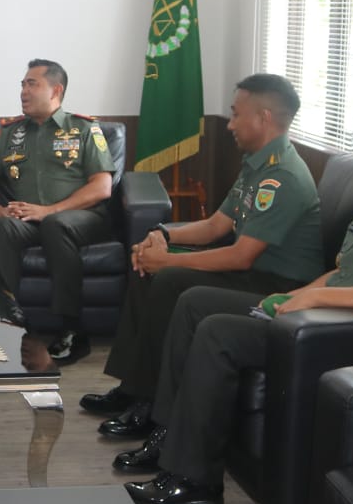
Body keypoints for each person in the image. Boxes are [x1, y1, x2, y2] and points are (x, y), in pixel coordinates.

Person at [121, 107, 353, 504]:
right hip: (319, 314)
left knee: (219, 332)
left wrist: (315, 300)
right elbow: (344, 272)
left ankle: (194, 481)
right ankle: (167, 436)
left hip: (348, 333)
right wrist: (295, 297)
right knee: (194, 302)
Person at [85, 73, 324, 444]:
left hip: (279, 287)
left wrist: (168, 262)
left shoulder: (283, 176)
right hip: (253, 274)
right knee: (147, 267)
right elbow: (215, 226)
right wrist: (163, 236)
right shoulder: (258, 165)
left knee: (168, 277)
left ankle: (151, 405)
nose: (229, 124)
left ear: (263, 118)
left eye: (236, 114)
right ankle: (134, 388)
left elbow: (241, 256)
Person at [0, 59, 115, 359]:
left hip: (83, 218)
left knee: (55, 224)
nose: (24, 91)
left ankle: (72, 329)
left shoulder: (84, 129)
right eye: (22, 85)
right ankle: (6, 322)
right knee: (3, 227)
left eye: (32, 84)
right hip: (29, 219)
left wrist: (51, 210)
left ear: (56, 90)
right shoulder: (8, 133)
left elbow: (102, 187)